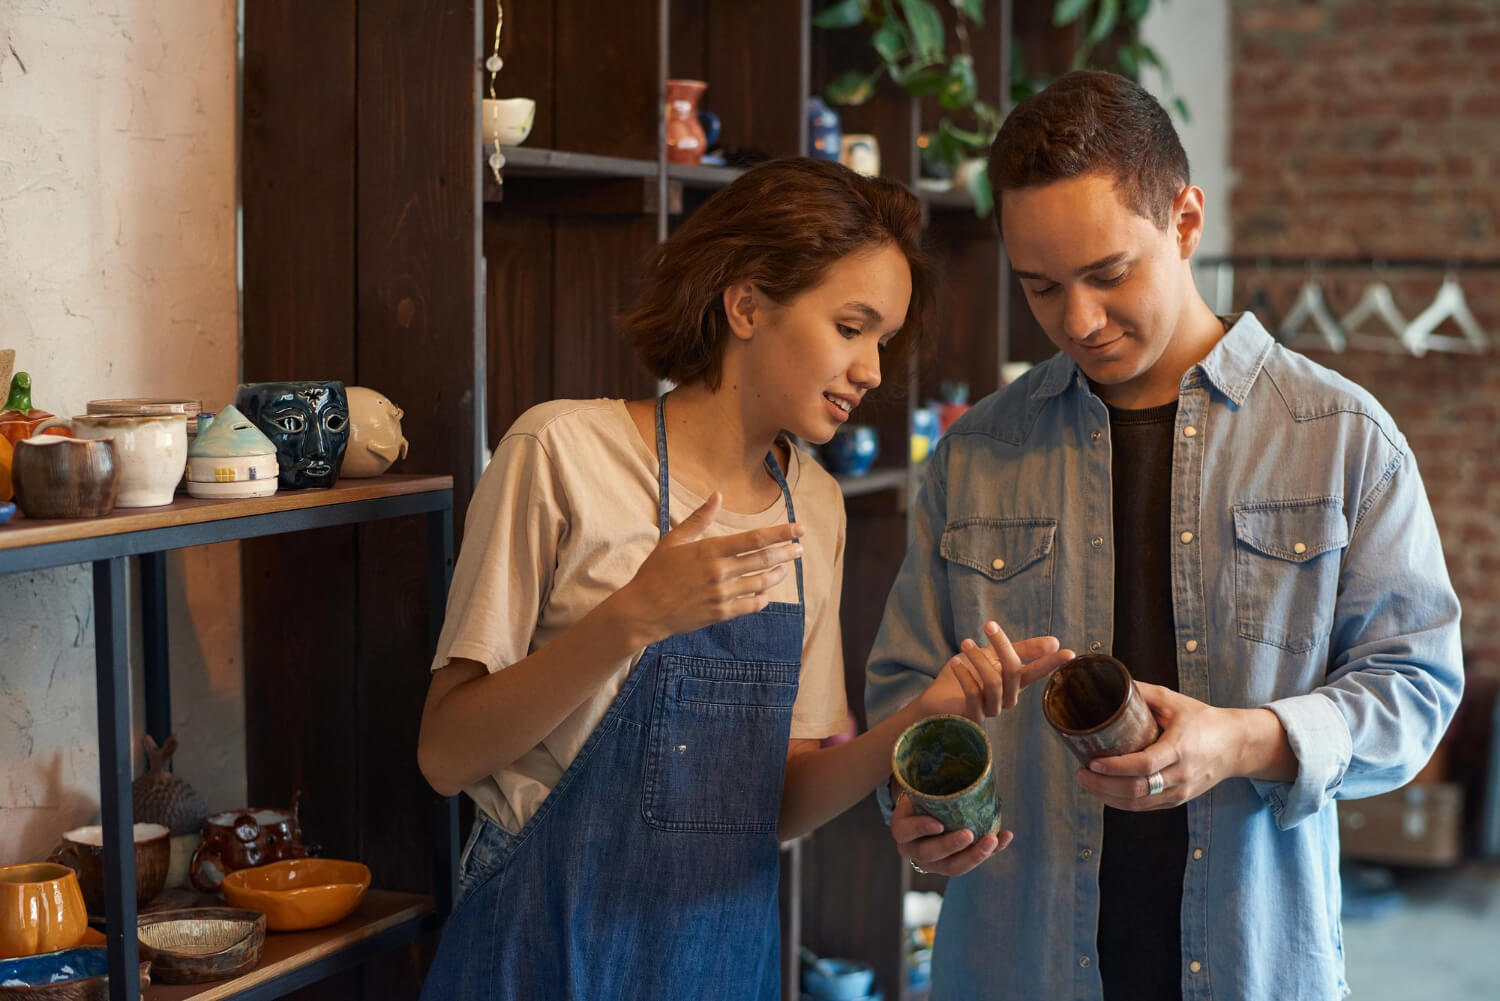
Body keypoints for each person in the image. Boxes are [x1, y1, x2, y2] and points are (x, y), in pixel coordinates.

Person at [867, 70, 1464, 1001]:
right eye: (1041, 287)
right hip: (1016, 966)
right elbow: (906, 691)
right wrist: (909, 801)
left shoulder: (1341, 439)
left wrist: (1245, 739)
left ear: (1185, 221)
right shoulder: (977, 453)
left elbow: (1417, 688)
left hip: (1252, 961)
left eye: (1109, 274)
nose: (1079, 320)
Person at [414, 157, 1071, 1001]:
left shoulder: (817, 506)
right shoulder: (560, 454)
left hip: (721, 963)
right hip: (541, 955)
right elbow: (445, 753)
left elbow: (774, 805)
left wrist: (919, 716)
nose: (872, 368)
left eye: (883, 339)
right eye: (850, 327)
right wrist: (634, 617)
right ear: (748, 303)